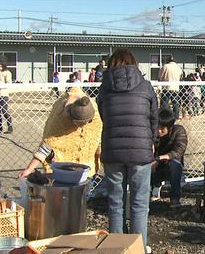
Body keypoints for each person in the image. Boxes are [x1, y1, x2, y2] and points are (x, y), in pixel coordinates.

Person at [96, 49, 158, 249]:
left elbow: (103, 115)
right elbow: (154, 117)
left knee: (116, 203)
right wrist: (152, 140)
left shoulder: (105, 88)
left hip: (113, 150)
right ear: (134, 64)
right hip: (140, 150)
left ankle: (116, 248)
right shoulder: (146, 86)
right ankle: (138, 249)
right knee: (140, 204)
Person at [18, 87, 102, 178]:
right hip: (61, 170)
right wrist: (30, 169)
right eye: (78, 123)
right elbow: (48, 145)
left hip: (87, 169)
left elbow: (97, 140)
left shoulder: (95, 116)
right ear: (70, 117)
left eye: (87, 122)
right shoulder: (60, 119)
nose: (82, 126)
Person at [151, 109, 188, 207]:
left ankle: (175, 198)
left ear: (170, 127)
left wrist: (159, 159)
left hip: (169, 165)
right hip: (154, 167)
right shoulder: (152, 133)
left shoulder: (179, 130)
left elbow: (179, 151)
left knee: (175, 164)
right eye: (157, 128)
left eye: (162, 129)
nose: (159, 131)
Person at [0, 62, 14, 134]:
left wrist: (1, 84)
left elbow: (9, 83)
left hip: (3, 94)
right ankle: (0, 128)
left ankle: (10, 128)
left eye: (1, 66)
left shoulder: (7, 73)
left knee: (4, 111)